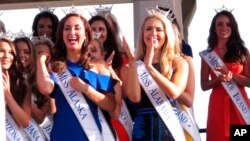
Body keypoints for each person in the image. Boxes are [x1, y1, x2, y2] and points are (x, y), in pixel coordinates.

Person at [36, 12, 116, 141]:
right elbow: (45, 89)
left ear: (86, 35)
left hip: (90, 136)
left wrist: (87, 89)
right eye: (67, 28)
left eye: (77, 28)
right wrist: (40, 60)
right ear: (62, 35)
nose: (71, 32)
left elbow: (111, 105)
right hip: (61, 136)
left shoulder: (98, 67)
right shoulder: (55, 67)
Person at [120, 7, 191, 140]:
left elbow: (174, 92)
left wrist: (150, 68)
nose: (153, 33)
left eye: (158, 30)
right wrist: (133, 60)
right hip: (142, 130)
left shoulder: (179, 63)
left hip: (169, 129)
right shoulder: (130, 66)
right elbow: (135, 98)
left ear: (166, 34)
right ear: (142, 34)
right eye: (148, 29)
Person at [200, 9, 250, 141]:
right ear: (214, 29)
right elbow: (204, 85)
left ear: (233, 28)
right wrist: (218, 80)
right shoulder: (207, 55)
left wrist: (231, 75)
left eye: (228, 24)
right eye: (220, 24)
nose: (224, 27)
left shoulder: (243, 52)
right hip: (217, 106)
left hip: (240, 106)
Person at [1, 35, 31, 140]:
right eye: (1, 51)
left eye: (10, 52)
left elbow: (25, 122)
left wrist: (7, 95)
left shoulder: (22, 84)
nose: (6, 56)